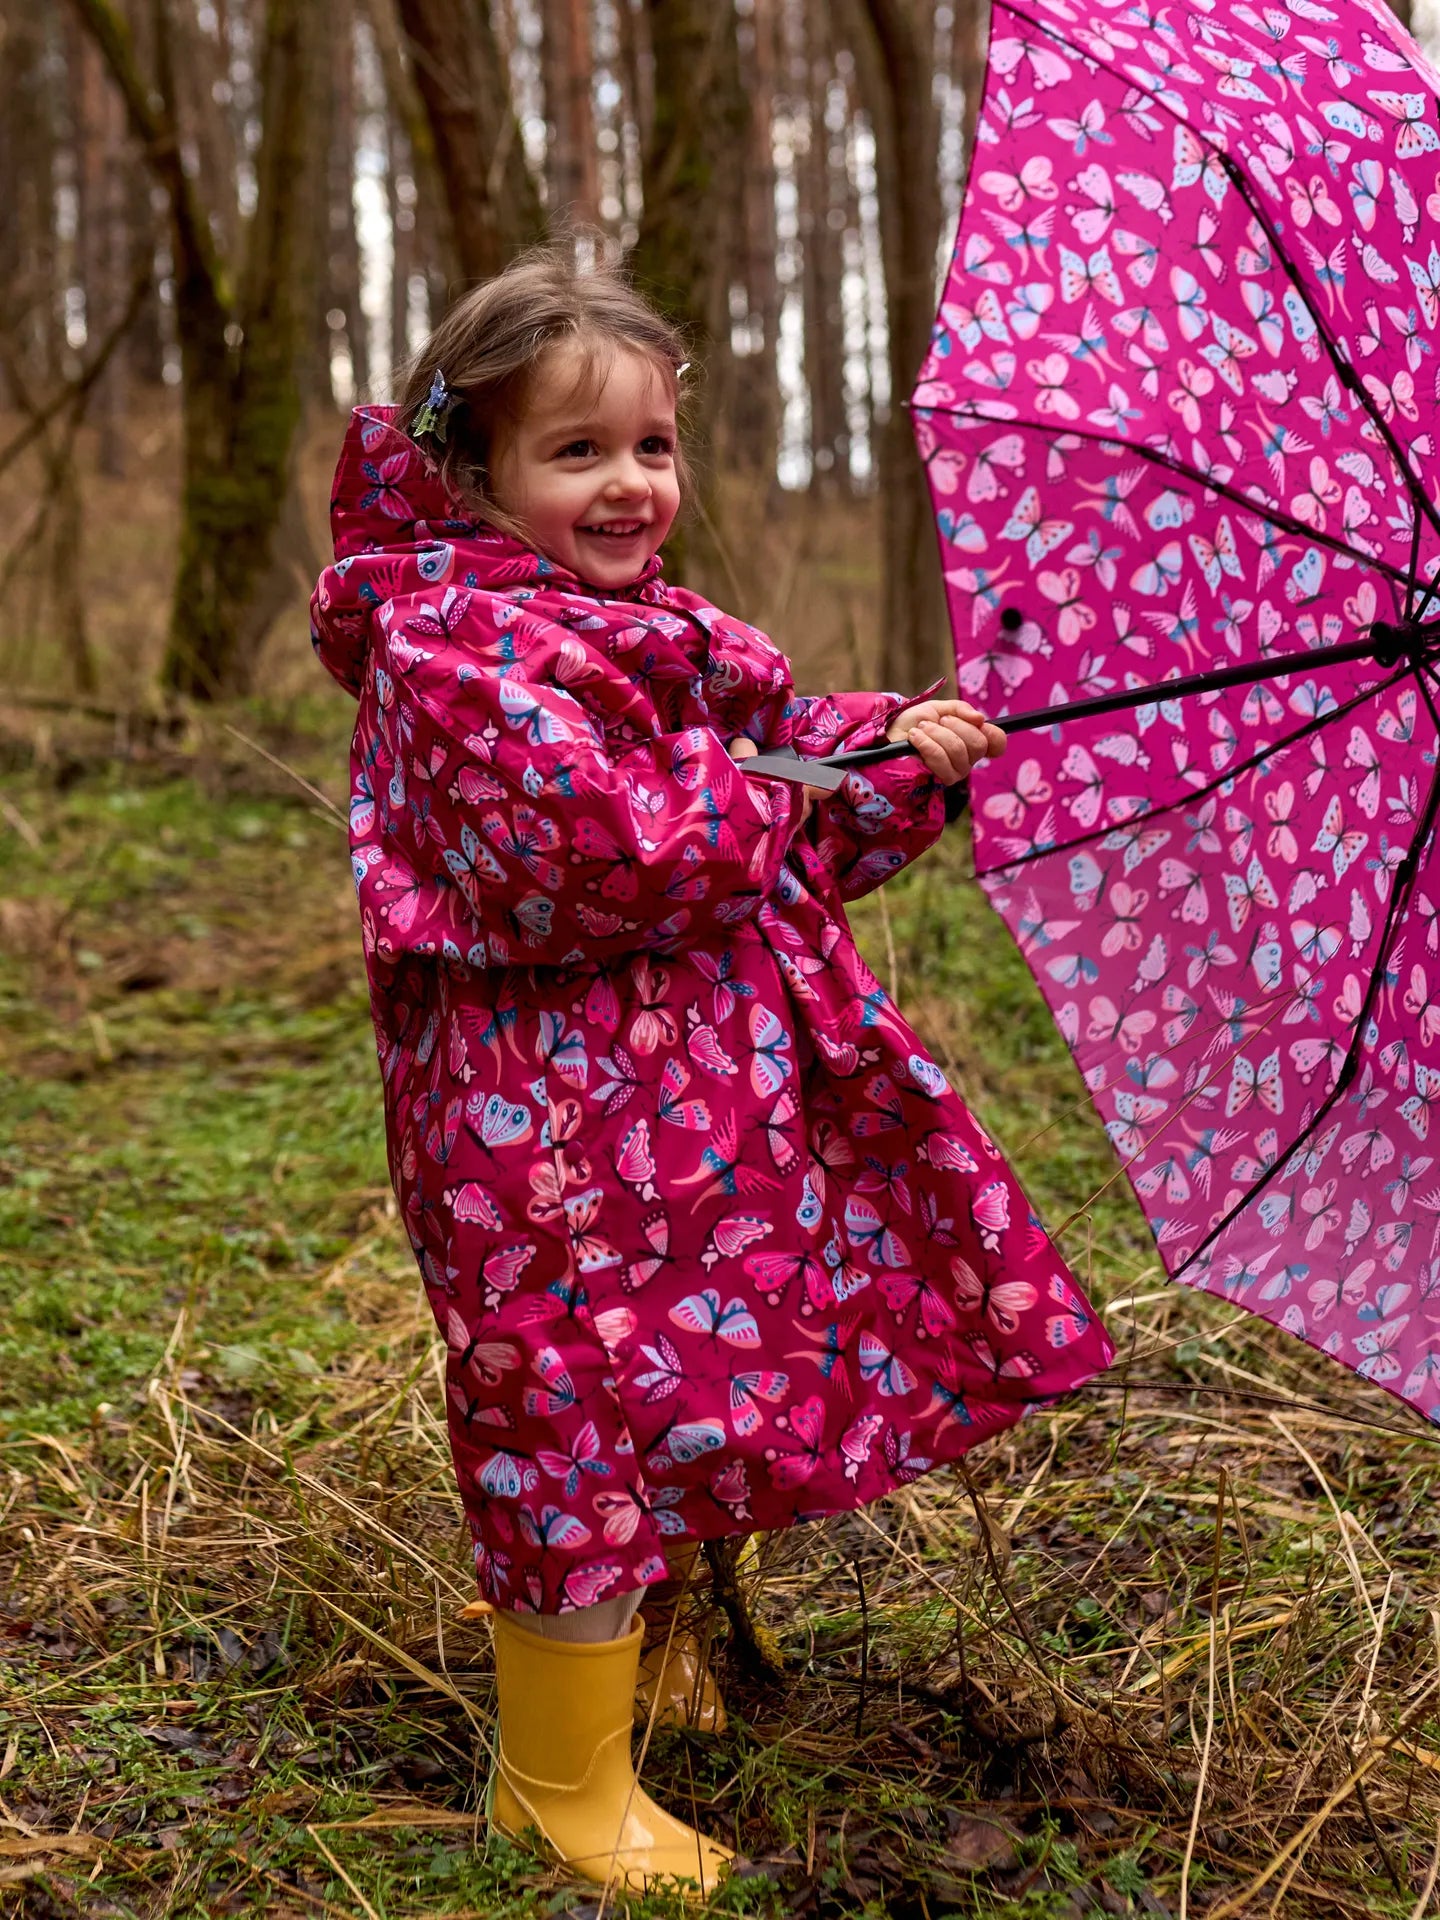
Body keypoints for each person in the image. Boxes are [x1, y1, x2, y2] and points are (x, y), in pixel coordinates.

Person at [311, 244, 1113, 1894]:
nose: (628, 486)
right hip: (532, 1133)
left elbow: (763, 807)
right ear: (475, 472)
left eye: (653, 447)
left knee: (678, 1378)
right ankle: (556, 1780)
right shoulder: (451, 649)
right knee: (565, 1407)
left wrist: (898, 759)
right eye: (577, 451)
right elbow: (593, 849)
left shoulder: (653, 630)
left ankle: (657, 1668)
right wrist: (802, 782)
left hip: (683, 1116)